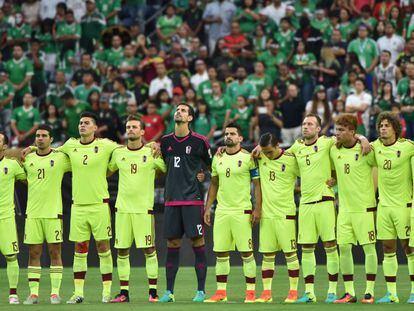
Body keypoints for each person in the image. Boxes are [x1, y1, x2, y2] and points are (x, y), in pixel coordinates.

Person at [108, 116, 166, 303]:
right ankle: (124, 292)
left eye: (134, 127)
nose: (130, 129)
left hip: (143, 210)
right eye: (128, 127)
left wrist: (156, 146)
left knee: (149, 250)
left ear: (142, 132)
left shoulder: (152, 153)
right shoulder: (118, 153)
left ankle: (153, 292)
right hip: (123, 210)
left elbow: (166, 171)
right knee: (122, 251)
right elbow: (108, 171)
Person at [158, 103, 212, 303]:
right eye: (177, 109)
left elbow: (211, 168)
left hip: (192, 201)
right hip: (171, 201)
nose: (178, 111)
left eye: (183, 110)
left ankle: (200, 291)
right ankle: (169, 292)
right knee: (172, 244)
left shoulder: (200, 141)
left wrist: (201, 175)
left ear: (190, 118)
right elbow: (163, 164)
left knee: (198, 242)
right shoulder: (164, 141)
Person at [204, 123, 261, 303]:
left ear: (240, 138)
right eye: (227, 133)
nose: (228, 136)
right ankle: (221, 292)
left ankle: (250, 292)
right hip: (221, 211)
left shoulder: (248, 158)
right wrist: (208, 207)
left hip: (241, 210)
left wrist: (257, 208)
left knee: (246, 253)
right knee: (220, 253)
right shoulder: (217, 157)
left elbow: (257, 185)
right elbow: (213, 184)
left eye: (233, 134)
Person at [329, 114, 378, 304]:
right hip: (344, 209)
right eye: (336, 129)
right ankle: (349, 292)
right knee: (343, 247)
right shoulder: (334, 149)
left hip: (364, 207)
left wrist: (364, 138)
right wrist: (333, 178)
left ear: (352, 132)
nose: (337, 133)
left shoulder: (367, 150)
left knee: (369, 247)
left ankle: (369, 291)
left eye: (341, 130)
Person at [22, 125, 71, 305]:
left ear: (51, 139)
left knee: (54, 252)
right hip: (33, 214)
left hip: (53, 213)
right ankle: (33, 294)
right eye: (37, 136)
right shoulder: (27, 159)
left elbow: (76, 156)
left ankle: (54, 294)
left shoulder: (60, 159)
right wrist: (32, 149)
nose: (40, 138)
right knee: (33, 253)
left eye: (44, 135)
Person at [372, 112, 414, 304]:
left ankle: (413, 292)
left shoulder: (407, 147)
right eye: (381, 125)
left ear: (395, 128)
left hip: (403, 206)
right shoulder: (374, 147)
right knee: (387, 248)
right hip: (384, 207)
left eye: (387, 125)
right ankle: (391, 294)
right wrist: (363, 138)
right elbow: (355, 143)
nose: (383, 128)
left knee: (409, 248)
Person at [255, 132, 300, 303]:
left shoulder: (290, 159)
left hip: (285, 214)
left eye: (270, 152)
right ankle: (266, 293)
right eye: (264, 151)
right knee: (267, 255)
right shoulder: (260, 156)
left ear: (278, 146)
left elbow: (309, 173)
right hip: (267, 215)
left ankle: (293, 292)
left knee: (290, 254)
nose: (267, 155)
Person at [0, 131, 26, 304]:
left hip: (5, 217)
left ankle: (13, 294)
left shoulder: (13, 165)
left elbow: (31, 181)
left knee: (11, 256)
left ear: (5, 146)